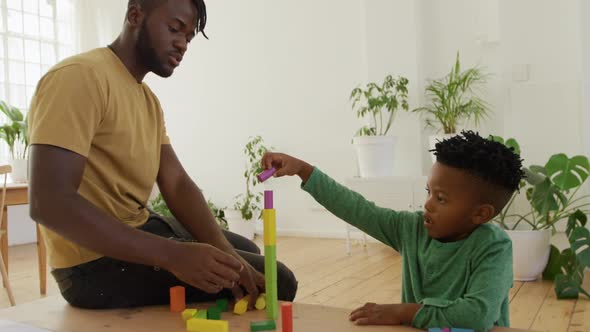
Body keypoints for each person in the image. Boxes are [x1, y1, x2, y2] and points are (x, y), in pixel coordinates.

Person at [27, 0, 297, 309]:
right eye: (175, 29)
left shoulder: (148, 100)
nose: (182, 44)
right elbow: (48, 203)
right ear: (134, 15)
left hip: (139, 225)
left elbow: (177, 183)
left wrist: (229, 256)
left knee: (242, 250)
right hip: (91, 266)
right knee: (279, 280)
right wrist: (172, 255)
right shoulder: (79, 77)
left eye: (189, 38)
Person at [261, 131, 524, 331]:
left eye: (441, 198)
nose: (428, 204)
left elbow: (476, 315)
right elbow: (357, 209)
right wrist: (304, 170)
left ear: (481, 214)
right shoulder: (412, 228)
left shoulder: (494, 247)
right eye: (429, 192)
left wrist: (403, 313)